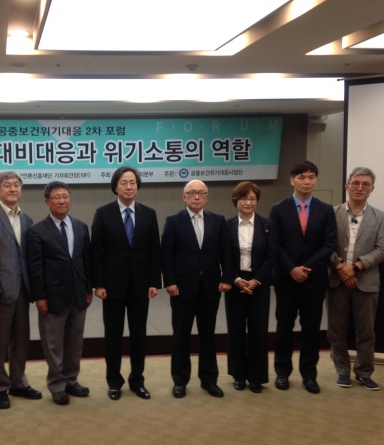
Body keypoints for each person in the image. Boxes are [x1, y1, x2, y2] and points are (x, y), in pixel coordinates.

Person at [91, 166, 161, 401]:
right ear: (115, 187)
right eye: (124, 182)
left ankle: (137, 381)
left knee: (139, 336)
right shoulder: (103, 213)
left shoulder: (149, 214)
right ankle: (114, 382)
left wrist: (154, 282)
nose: (129, 186)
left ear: (138, 187)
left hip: (140, 286)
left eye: (132, 182)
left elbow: (154, 250)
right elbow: (96, 252)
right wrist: (98, 284)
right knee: (113, 336)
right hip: (112, 287)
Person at [0, 171, 42, 409]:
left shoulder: (27, 219)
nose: (13, 189)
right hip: (0, 292)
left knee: (21, 340)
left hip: (23, 290)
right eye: (7, 185)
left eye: (16, 185)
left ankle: (18, 383)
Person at [160, 179, 233, 399]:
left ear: (207, 197)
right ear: (184, 197)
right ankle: (180, 380)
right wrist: (169, 282)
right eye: (192, 193)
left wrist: (227, 279)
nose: (197, 197)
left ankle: (209, 380)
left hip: (210, 288)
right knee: (181, 335)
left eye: (201, 193)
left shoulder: (218, 221)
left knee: (208, 336)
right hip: (182, 289)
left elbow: (226, 252)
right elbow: (166, 255)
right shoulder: (173, 221)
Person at [269, 160, 336, 394]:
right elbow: (274, 243)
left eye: (311, 177)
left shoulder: (326, 210)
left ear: (315, 180)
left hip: (314, 280)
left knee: (311, 330)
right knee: (284, 328)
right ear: (292, 180)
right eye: (301, 177)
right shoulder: (278, 208)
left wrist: (306, 267)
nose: (307, 181)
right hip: (286, 279)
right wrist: (291, 269)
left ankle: (309, 375)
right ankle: (282, 372)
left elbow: (329, 244)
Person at [27, 181, 93, 406]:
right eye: (57, 197)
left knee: (75, 342)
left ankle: (71, 380)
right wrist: (39, 296)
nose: (62, 201)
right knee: (53, 344)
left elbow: (85, 260)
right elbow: (35, 267)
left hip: (78, 294)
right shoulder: (36, 231)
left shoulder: (81, 226)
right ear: (47, 201)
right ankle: (57, 385)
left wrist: (88, 288)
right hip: (52, 296)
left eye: (65, 196)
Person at [327, 167, 384, 390]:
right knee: (336, 331)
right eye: (355, 183)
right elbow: (325, 245)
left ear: (372, 189)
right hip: (337, 281)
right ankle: (342, 371)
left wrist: (355, 268)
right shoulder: (331, 213)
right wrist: (340, 267)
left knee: (365, 332)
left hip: (366, 282)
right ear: (347, 186)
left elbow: (382, 250)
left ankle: (364, 373)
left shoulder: (380, 217)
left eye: (365, 184)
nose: (359, 187)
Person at [225, 182, 276, 393]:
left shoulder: (267, 225)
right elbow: (223, 257)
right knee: (235, 330)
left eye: (252, 199)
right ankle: (238, 375)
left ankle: (257, 377)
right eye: (244, 198)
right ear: (236, 200)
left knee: (258, 331)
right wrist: (236, 279)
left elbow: (271, 256)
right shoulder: (226, 225)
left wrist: (257, 280)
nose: (248, 202)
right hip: (235, 284)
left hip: (259, 284)